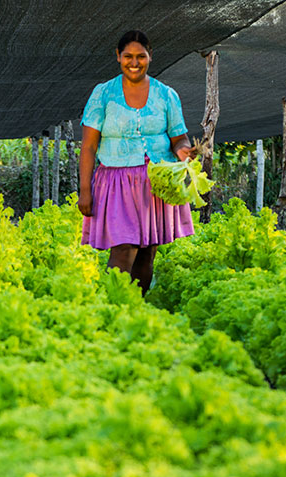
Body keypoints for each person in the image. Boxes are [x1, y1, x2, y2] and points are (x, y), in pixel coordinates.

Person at [78, 30, 197, 294]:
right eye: (128, 56)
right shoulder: (103, 93)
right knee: (123, 249)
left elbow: (178, 139)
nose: (134, 62)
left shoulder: (166, 95)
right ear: (118, 57)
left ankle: (136, 309)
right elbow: (88, 146)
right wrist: (85, 190)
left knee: (147, 251)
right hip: (116, 182)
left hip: (156, 183)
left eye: (140, 56)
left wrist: (184, 152)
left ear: (150, 57)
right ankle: (112, 306)